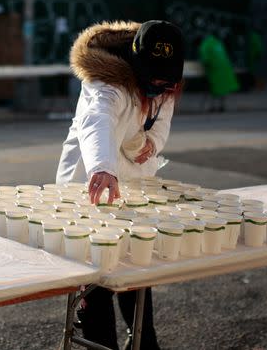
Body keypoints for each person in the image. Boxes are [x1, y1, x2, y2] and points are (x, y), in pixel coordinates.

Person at [57, 20, 184, 350]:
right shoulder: (109, 83)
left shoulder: (166, 80)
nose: (158, 86)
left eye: (166, 82)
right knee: (95, 275)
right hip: (93, 184)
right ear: (136, 64)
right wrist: (102, 168)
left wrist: (152, 144)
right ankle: (101, 344)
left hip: (133, 187)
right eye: (152, 79)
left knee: (135, 268)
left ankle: (144, 341)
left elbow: (162, 120)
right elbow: (96, 120)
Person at [198, 33, 239, 112]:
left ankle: (213, 106)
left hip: (214, 69)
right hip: (225, 68)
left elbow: (205, 59)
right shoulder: (217, 42)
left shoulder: (205, 45)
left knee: (213, 89)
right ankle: (221, 105)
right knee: (222, 89)